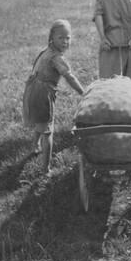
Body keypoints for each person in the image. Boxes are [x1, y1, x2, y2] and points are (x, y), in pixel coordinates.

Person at [23, 19, 84, 176]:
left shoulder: (47, 51)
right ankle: (46, 169)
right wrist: (83, 93)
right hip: (42, 94)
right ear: (52, 38)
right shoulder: (56, 58)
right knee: (48, 131)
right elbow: (69, 77)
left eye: (67, 38)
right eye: (60, 38)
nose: (65, 41)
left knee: (40, 122)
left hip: (32, 90)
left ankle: (34, 146)